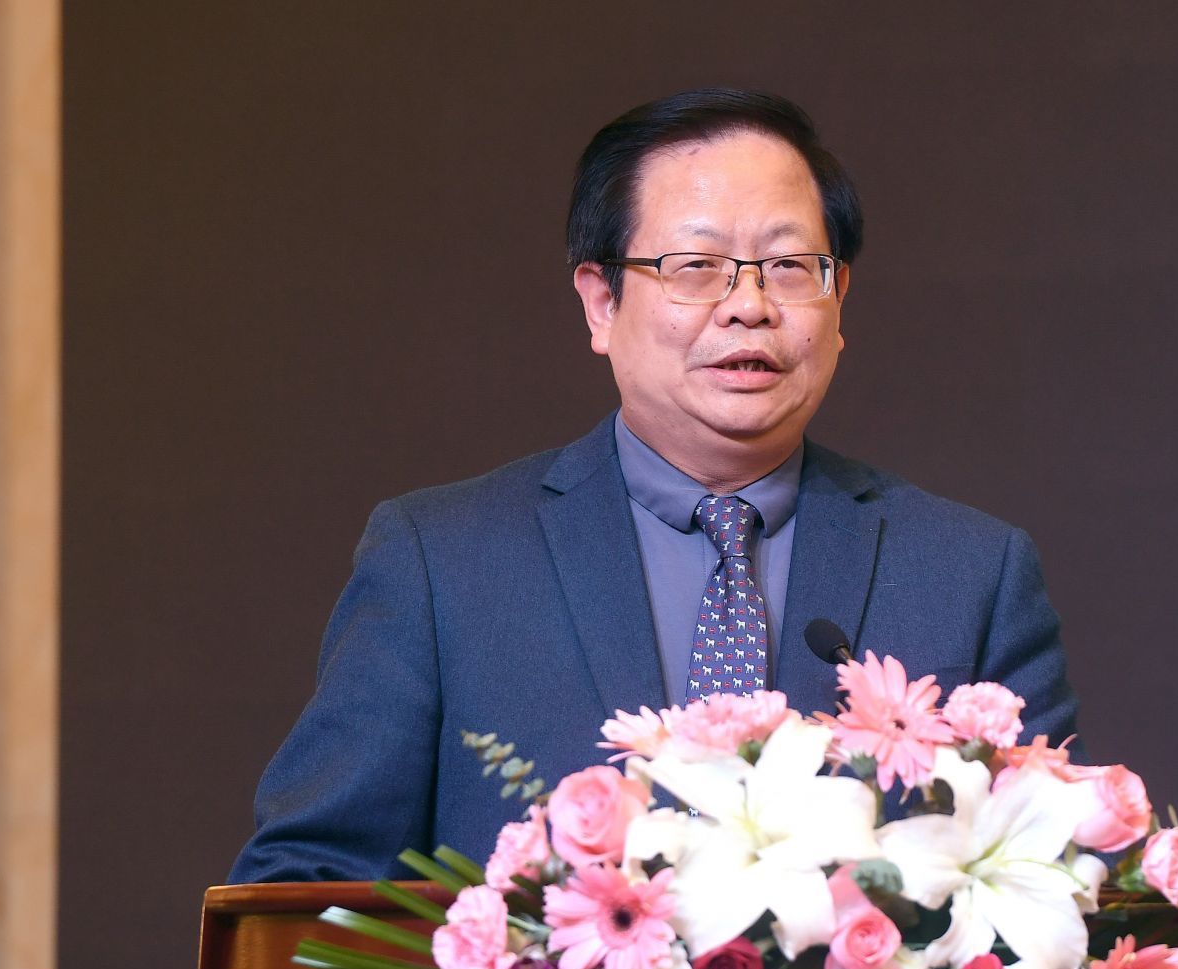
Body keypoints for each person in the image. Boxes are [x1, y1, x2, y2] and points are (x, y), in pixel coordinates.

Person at [229, 89, 1079, 883]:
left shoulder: (970, 577)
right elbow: (307, 887)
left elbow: (1052, 885)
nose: (749, 305)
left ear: (838, 299)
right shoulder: (443, 567)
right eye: (697, 266)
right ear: (601, 303)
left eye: (789, 267)